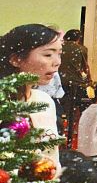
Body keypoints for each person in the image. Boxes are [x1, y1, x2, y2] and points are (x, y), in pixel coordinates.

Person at [0, 24, 63, 173]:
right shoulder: (4, 105)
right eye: (48, 55)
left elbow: (53, 158)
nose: (57, 62)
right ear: (16, 59)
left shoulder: (44, 101)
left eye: (59, 54)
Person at [59, 28, 92, 132]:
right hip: (76, 82)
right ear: (78, 38)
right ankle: (74, 128)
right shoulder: (81, 49)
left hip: (60, 81)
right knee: (78, 106)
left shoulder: (59, 47)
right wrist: (89, 81)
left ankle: (61, 128)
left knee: (62, 105)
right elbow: (85, 67)